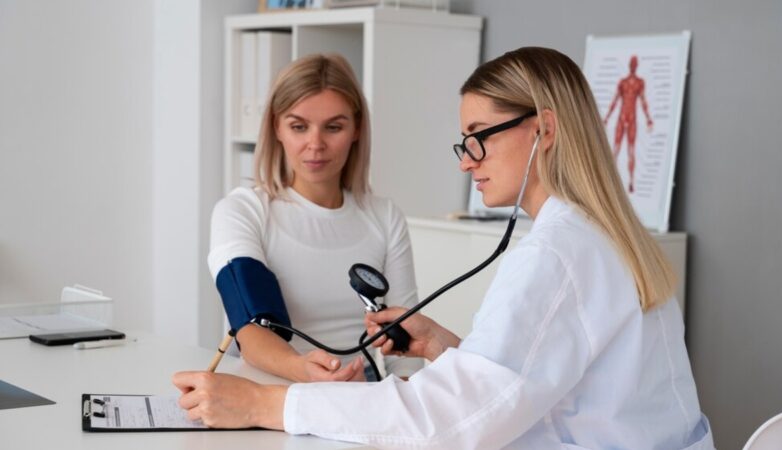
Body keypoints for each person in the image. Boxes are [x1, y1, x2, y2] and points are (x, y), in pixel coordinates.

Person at [174, 47, 714, 449]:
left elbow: (449, 418)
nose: (465, 160)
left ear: (544, 130)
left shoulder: (553, 254)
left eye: (479, 135)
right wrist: (442, 348)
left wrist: (266, 402)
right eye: (298, 126)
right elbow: (537, 386)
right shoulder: (609, 236)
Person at [205, 53, 422, 383]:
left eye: (333, 127)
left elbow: (405, 348)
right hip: (266, 388)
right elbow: (250, 326)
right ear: (276, 126)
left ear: (357, 129)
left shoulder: (384, 217)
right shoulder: (242, 212)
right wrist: (305, 372)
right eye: (298, 127)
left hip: (357, 390)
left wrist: (396, 400)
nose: (315, 144)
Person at [603, 55, 654, 193]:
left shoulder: (639, 82)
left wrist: (648, 118)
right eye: (632, 63)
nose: (632, 65)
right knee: (616, 149)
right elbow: (615, 100)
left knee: (630, 150)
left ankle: (631, 182)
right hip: (622, 117)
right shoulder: (623, 82)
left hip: (631, 118)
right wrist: (607, 118)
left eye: (634, 63)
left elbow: (643, 100)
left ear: (636, 65)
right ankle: (610, 181)